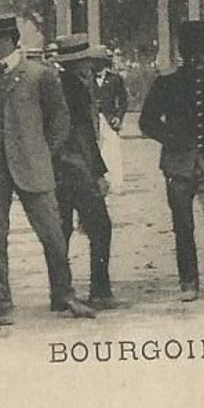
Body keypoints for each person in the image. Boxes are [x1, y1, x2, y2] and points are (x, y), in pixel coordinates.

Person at [0, 15, 95, 322]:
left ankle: (64, 295)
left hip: (34, 166)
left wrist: (43, 153)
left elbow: (60, 121)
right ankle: (1, 303)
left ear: (9, 40)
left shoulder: (39, 75)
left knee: (52, 234)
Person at [140, 19, 204, 304]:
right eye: (194, 49)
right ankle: (189, 282)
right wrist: (171, 138)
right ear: (184, 51)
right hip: (177, 165)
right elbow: (146, 122)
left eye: (202, 49)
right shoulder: (167, 82)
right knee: (183, 225)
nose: (199, 55)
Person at [50, 35, 118, 308]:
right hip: (78, 168)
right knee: (101, 227)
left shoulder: (55, 85)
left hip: (56, 168)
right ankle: (100, 290)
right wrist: (99, 173)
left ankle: (59, 294)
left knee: (61, 230)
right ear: (80, 61)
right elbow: (84, 136)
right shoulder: (76, 89)